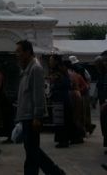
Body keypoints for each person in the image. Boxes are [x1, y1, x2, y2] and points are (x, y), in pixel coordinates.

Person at [15, 40, 66, 175]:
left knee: (32, 150)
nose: (17, 55)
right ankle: (54, 172)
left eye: (19, 52)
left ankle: (52, 172)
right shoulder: (27, 69)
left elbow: (38, 94)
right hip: (26, 115)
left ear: (27, 52)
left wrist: (37, 116)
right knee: (32, 149)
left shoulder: (35, 69)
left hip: (32, 116)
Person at [48, 55, 73, 148]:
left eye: (51, 60)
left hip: (61, 98)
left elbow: (66, 84)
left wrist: (55, 84)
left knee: (61, 120)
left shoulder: (60, 71)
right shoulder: (57, 71)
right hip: (59, 98)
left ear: (56, 62)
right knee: (61, 120)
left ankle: (63, 140)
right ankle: (63, 139)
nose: (49, 62)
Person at [69, 55, 96, 135]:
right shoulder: (82, 68)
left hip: (82, 92)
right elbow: (89, 78)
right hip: (83, 91)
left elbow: (88, 78)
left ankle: (85, 128)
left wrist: (85, 86)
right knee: (85, 111)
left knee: (82, 112)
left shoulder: (78, 70)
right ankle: (88, 127)